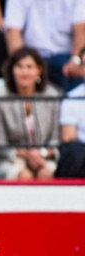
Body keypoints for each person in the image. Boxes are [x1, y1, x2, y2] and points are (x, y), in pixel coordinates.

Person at [0, 47, 60, 180]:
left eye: (29, 67)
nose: (24, 72)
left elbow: (56, 139)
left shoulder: (51, 96)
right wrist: (26, 154)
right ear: (12, 71)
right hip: (12, 159)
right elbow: (0, 145)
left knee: (45, 174)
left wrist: (41, 153)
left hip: (45, 157)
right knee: (24, 176)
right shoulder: (2, 100)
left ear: (38, 70)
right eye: (19, 66)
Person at [4, 0, 85, 92]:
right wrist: (22, 64)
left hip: (65, 59)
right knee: (23, 71)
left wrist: (76, 60)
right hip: (31, 57)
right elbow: (13, 31)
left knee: (79, 75)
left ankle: (71, 106)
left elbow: (81, 29)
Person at [58, 48, 85, 178]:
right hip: (81, 156)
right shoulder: (71, 98)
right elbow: (68, 137)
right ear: (80, 69)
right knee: (74, 152)